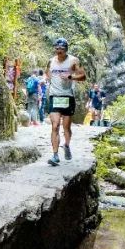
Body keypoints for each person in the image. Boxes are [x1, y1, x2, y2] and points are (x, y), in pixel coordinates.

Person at [46, 38, 86, 166]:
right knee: (55, 125)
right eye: (57, 48)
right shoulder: (51, 61)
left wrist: (70, 77)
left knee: (66, 127)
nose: (59, 51)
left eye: (61, 49)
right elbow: (47, 74)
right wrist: (51, 82)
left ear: (66, 49)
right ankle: (55, 155)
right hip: (54, 96)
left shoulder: (73, 61)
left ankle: (67, 145)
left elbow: (83, 76)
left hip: (68, 97)